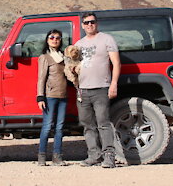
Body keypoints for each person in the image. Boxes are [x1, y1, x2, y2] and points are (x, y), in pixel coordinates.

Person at [75, 12, 121, 168]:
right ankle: (94, 155)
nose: (89, 25)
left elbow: (116, 63)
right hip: (83, 90)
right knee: (87, 125)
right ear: (82, 25)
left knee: (103, 123)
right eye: (86, 23)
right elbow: (73, 66)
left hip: (101, 88)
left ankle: (109, 156)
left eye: (92, 22)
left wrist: (113, 83)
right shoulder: (79, 44)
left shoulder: (107, 39)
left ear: (97, 23)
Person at [36, 29, 68, 166]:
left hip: (63, 96)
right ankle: (42, 157)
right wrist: (40, 97)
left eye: (58, 38)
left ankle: (57, 157)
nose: (55, 40)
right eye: (52, 37)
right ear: (47, 40)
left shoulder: (64, 57)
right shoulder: (45, 57)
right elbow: (41, 78)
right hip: (50, 96)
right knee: (47, 127)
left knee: (60, 127)